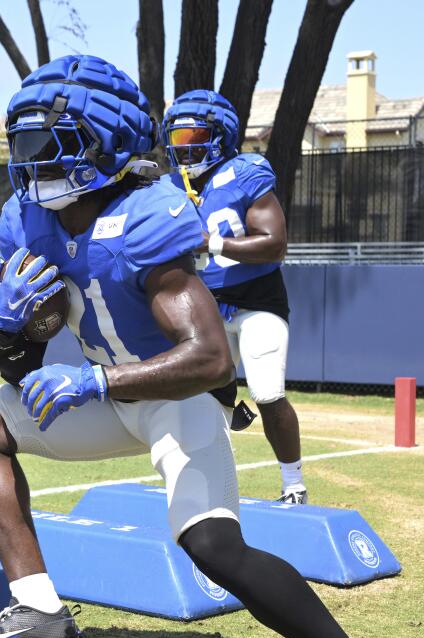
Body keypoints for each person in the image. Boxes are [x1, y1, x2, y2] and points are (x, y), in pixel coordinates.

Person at [0, 55, 412, 638]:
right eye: (25, 144)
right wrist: (6, 328)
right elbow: (21, 370)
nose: (32, 160)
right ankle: (39, 612)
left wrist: (95, 380)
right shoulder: (29, 221)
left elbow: (211, 357)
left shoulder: (146, 217)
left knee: (214, 547)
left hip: (178, 395)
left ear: (103, 142)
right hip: (107, 394)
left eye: (50, 142)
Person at [162, 91, 306, 503]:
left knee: (266, 391)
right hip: (205, 305)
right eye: (177, 136)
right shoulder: (172, 186)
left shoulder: (245, 172)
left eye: (193, 135)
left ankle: (293, 483)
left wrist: (213, 243)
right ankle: (206, 489)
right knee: (201, 404)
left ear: (220, 136)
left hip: (257, 300)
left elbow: (274, 244)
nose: (183, 146)